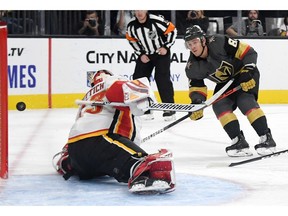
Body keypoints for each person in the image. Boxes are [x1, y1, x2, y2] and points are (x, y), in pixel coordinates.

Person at [52, 70, 176, 194]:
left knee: (99, 160)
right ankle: (143, 172)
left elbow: (79, 126)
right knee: (142, 163)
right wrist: (143, 98)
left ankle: (68, 163)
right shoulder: (110, 81)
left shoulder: (87, 98)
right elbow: (120, 89)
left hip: (75, 151)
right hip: (100, 141)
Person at [184, 25, 277, 157]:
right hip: (226, 83)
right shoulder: (192, 67)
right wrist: (197, 102)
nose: (192, 47)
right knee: (219, 105)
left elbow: (249, 52)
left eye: (195, 42)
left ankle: (266, 138)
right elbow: (196, 87)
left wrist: (248, 71)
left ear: (203, 40)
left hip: (244, 74)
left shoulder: (219, 42)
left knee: (244, 101)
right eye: (189, 44)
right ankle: (238, 141)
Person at [126, 10, 177, 121]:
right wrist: (141, 54)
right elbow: (131, 39)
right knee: (139, 79)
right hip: (146, 55)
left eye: (142, 9)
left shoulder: (155, 20)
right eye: (137, 9)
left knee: (162, 79)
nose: (139, 12)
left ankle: (169, 109)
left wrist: (166, 47)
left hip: (161, 53)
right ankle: (145, 109)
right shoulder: (131, 26)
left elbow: (172, 30)